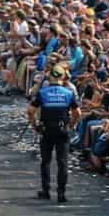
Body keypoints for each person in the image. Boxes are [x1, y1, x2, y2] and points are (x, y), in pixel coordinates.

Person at [29, 64, 79, 204]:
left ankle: (46, 191)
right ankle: (61, 194)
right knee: (62, 162)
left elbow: (30, 111)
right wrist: (71, 125)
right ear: (63, 77)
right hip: (62, 130)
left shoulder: (43, 93)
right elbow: (77, 113)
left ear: (50, 76)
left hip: (46, 130)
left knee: (45, 161)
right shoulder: (68, 93)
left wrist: (34, 125)